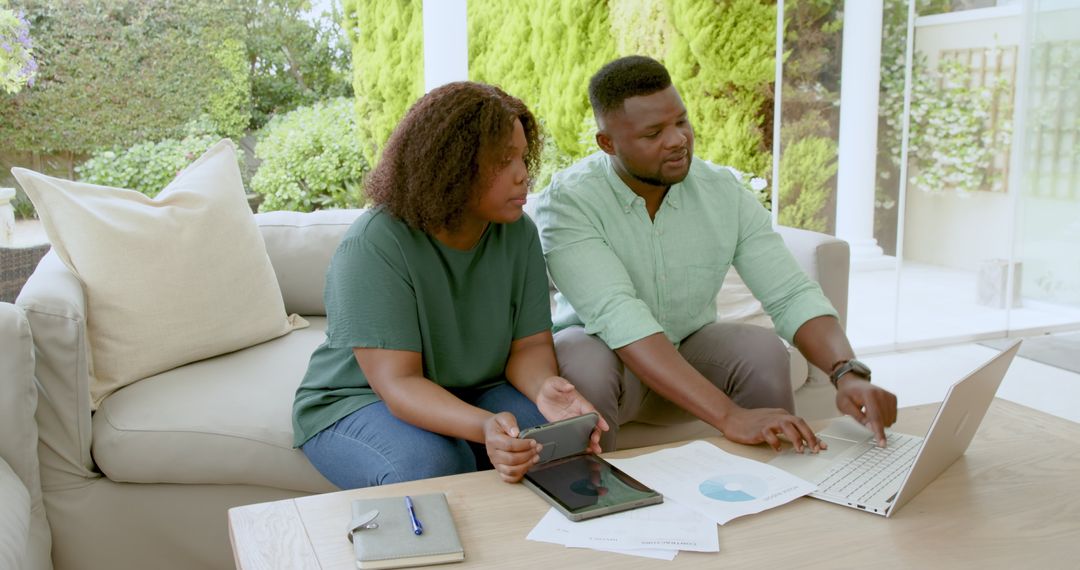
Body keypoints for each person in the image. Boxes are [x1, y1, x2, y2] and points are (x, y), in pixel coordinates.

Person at [531, 55, 897, 453]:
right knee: (580, 355)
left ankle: (778, 486)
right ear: (608, 144)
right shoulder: (569, 202)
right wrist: (729, 415)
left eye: (680, 121)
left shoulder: (722, 192)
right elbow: (619, 316)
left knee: (761, 350)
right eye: (653, 133)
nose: (677, 140)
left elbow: (789, 292)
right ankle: (597, 495)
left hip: (692, 358)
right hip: (612, 371)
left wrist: (848, 372)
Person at [292, 81, 607, 489]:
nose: (523, 175)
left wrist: (545, 388)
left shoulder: (519, 234)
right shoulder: (374, 244)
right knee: (436, 463)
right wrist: (485, 426)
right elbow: (399, 382)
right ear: (451, 167)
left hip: (477, 390)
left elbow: (528, 348)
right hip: (359, 399)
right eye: (503, 160)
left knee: (555, 445)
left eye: (522, 156)